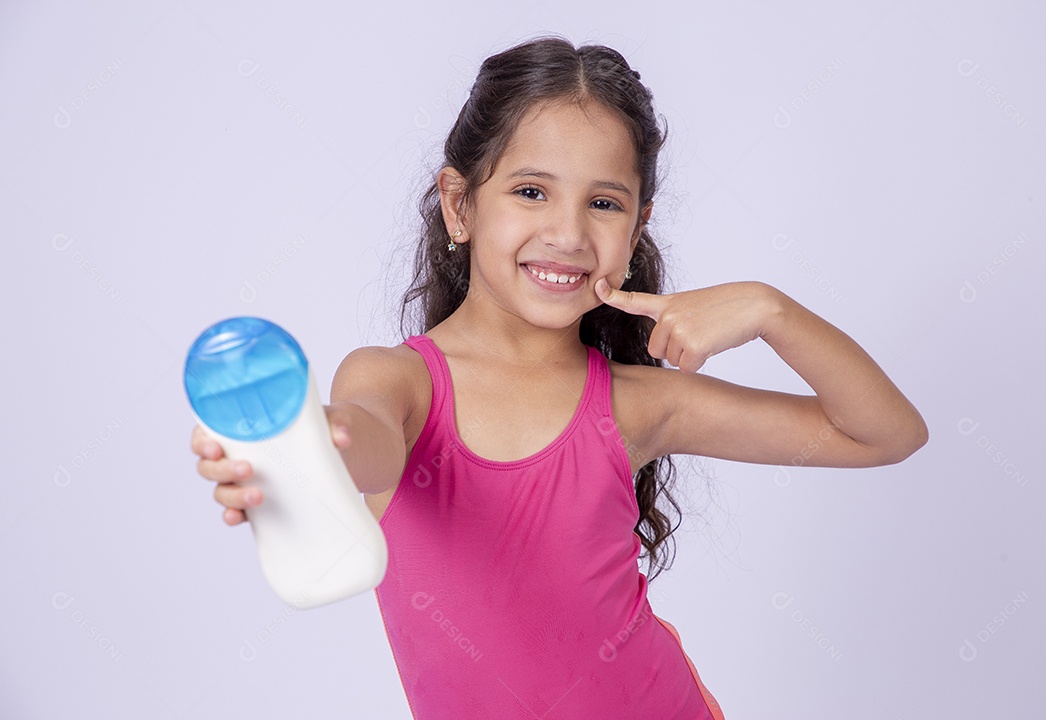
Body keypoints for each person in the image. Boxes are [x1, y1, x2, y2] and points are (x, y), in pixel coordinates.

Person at [191, 35, 928, 719]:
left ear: (636, 230)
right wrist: (309, 444)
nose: (569, 234)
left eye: (603, 204)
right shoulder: (400, 382)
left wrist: (771, 310)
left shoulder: (639, 405)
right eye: (531, 191)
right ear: (460, 204)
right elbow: (369, 441)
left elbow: (885, 434)